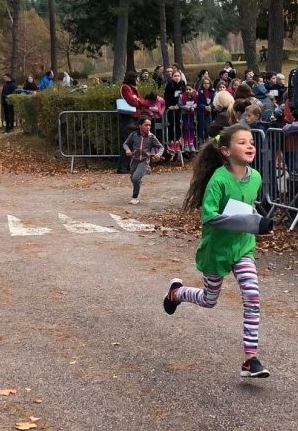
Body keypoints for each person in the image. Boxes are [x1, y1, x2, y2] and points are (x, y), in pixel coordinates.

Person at [163, 125, 274, 378]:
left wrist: (259, 223)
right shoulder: (219, 180)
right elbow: (210, 218)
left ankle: (250, 360)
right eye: (242, 142)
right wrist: (253, 224)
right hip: (216, 249)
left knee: (252, 296)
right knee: (208, 300)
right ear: (226, 151)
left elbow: (247, 208)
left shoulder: (256, 177)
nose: (250, 146)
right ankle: (176, 293)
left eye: (251, 141)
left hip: (243, 248)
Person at [123, 116, 165, 204]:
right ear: (140, 125)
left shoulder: (151, 137)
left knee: (135, 178)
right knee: (133, 179)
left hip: (144, 161)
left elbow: (161, 147)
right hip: (134, 160)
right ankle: (139, 180)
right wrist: (127, 150)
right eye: (146, 125)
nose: (148, 127)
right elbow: (126, 144)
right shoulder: (134, 135)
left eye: (149, 125)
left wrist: (158, 154)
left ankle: (135, 198)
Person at [117, 72, 144, 173]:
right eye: (137, 78)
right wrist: (137, 100)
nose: (138, 80)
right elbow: (132, 101)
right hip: (129, 117)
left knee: (132, 142)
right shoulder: (126, 88)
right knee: (128, 142)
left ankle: (128, 165)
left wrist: (138, 100)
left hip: (134, 117)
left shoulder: (133, 89)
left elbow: (142, 101)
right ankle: (122, 166)